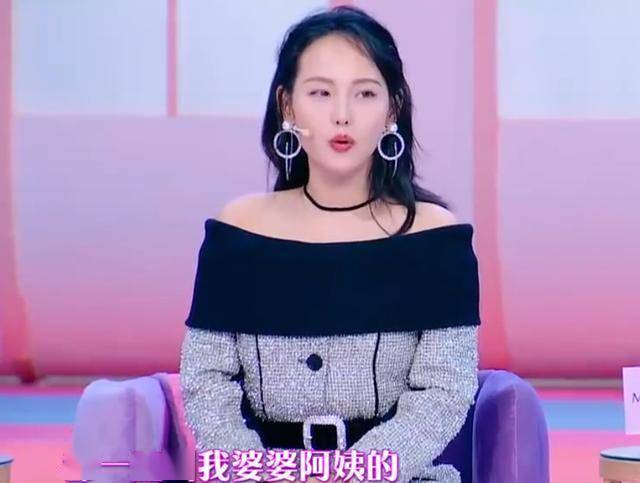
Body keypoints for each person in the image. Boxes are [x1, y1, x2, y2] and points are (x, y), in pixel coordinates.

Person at [180, 6, 480, 483]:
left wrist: (356, 475)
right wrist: (257, 476)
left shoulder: (435, 238)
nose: (343, 115)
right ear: (288, 106)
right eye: (321, 93)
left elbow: (443, 394)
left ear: (393, 109)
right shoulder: (238, 229)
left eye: (365, 94)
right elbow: (206, 382)